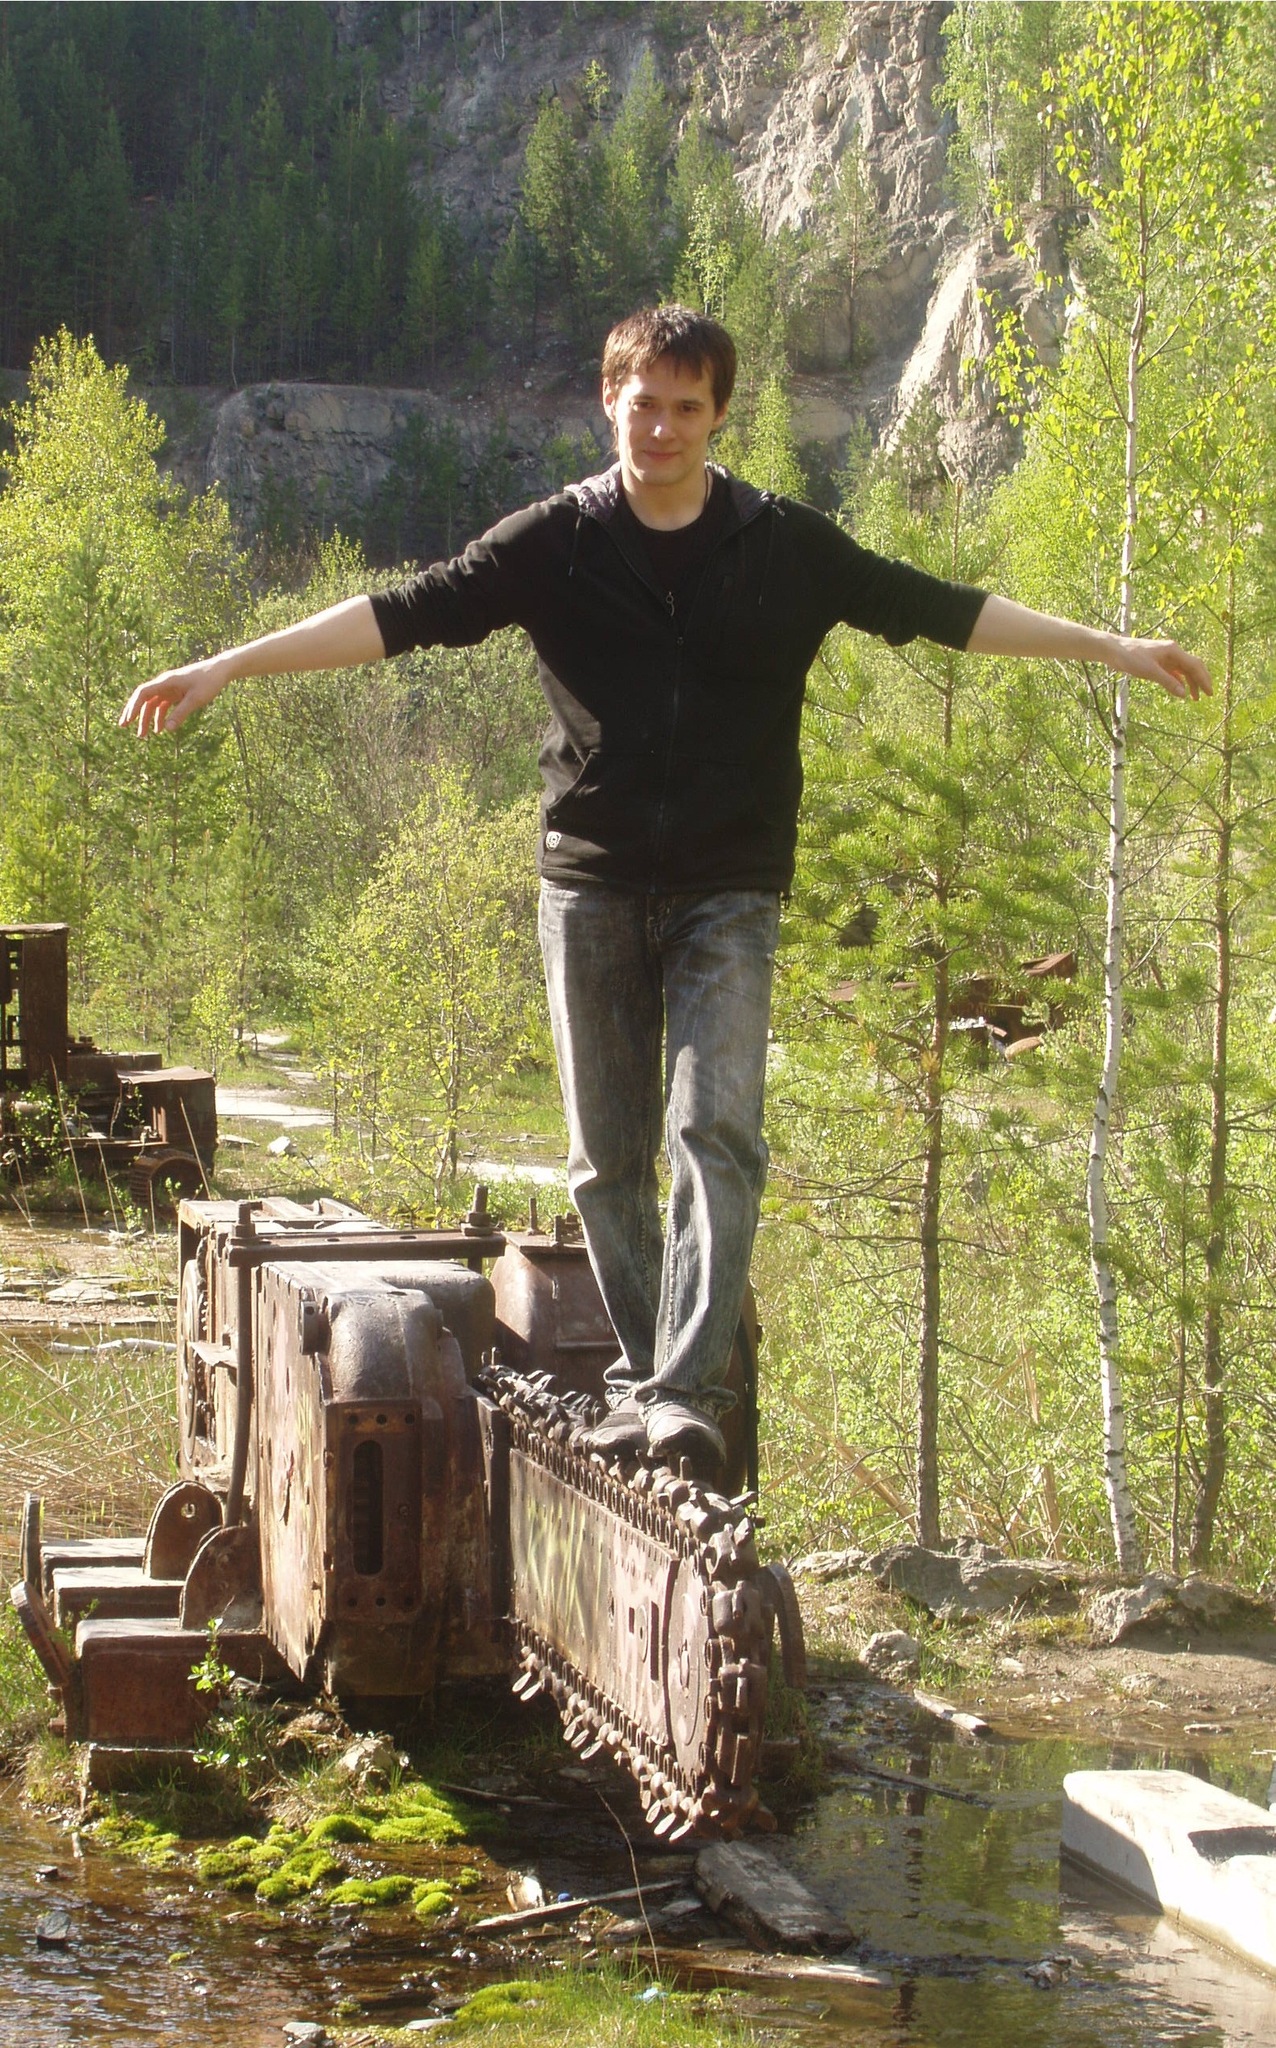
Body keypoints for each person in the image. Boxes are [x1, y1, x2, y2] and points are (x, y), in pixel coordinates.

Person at [121, 304, 1211, 1476]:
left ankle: (684, 1391)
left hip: (727, 888)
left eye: (687, 407)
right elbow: (405, 611)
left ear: (718, 415)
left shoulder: (783, 545)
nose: (663, 427)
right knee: (605, 1161)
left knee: (716, 1132)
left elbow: (938, 607)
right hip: (589, 885)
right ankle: (648, 1377)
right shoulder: (557, 540)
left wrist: (1110, 648)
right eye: (644, 403)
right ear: (611, 401)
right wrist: (228, 663)